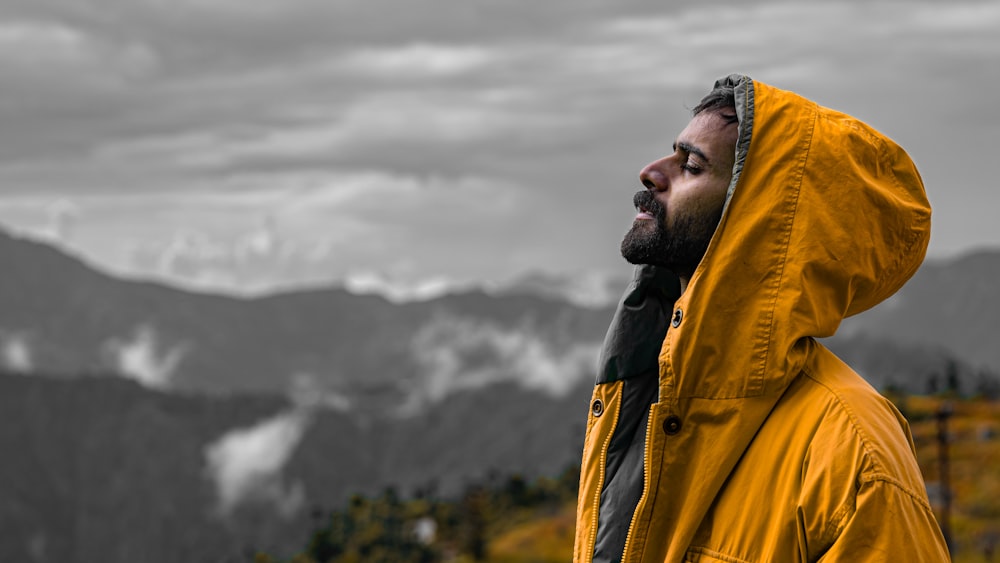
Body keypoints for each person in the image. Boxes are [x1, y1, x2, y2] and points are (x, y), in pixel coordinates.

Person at [573, 74, 951, 562]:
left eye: (690, 165)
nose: (650, 172)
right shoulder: (643, 391)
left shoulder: (852, 450)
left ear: (758, 220)